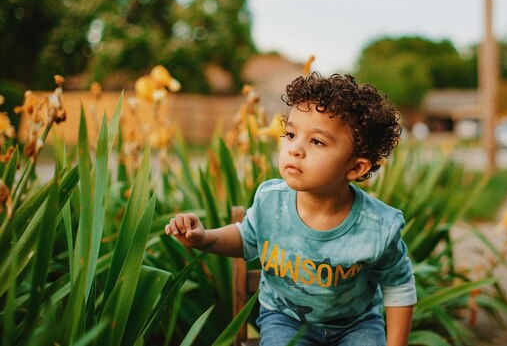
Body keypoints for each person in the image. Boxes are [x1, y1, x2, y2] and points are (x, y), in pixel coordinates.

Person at [165, 73, 417, 345]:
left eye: (316, 141)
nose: (295, 149)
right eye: (291, 134)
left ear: (355, 168)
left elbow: (398, 285)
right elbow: (247, 239)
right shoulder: (270, 201)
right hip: (285, 318)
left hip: (356, 325)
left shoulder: (377, 226)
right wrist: (203, 237)